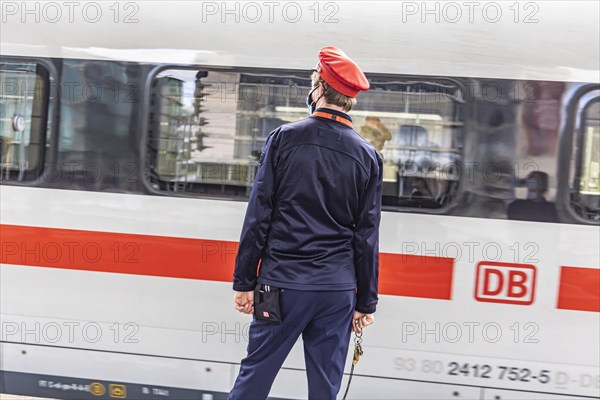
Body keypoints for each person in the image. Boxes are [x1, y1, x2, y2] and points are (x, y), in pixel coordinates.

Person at [229, 46, 382, 400]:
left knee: (254, 377)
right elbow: (367, 235)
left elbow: (259, 215)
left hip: (281, 286)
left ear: (317, 88)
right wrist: (366, 302)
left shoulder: (285, 139)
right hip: (337, 291)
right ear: (350, 100)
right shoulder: (368, 156)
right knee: (326, 388)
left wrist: (244, 281)